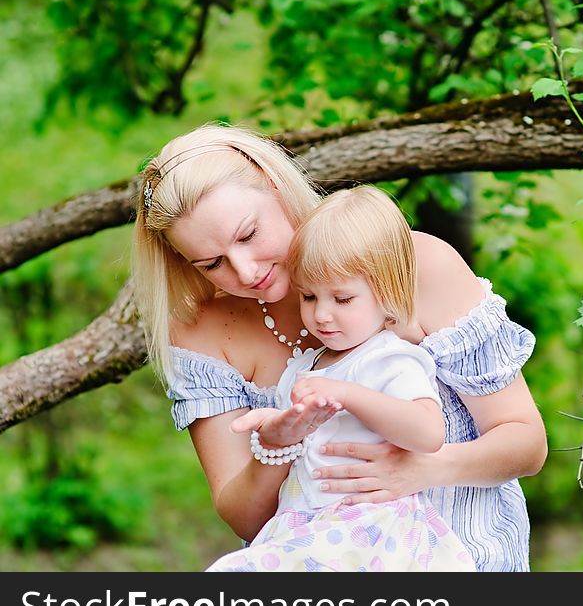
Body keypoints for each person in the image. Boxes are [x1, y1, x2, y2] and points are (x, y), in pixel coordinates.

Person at [132, 122, 546, 572]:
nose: (246, 271)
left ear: (275, 186)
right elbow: (246, 520)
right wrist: (276, 448)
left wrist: (422, 469)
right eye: (213, 263)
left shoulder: (415, 267)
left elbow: (526, 442)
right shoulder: (203, 335)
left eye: (249, 235)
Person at [206, 186, 475, 571]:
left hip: (367, 526)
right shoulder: (306, 367)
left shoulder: (388, 358)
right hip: (308, 521)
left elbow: (428, 432)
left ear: (387, 293)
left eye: (342, 299)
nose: (322, 315)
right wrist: (277, 427)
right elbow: (306, 438)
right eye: (309, 297)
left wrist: (350, 394)